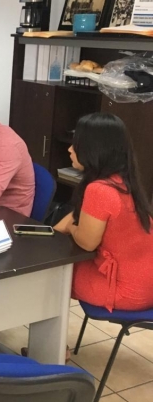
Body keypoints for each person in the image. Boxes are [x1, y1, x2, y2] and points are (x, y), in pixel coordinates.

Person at [54, 113, 153, 312]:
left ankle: (48, 333)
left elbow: (87, 242)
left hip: (125, 289)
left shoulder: (99, 190)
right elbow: (77, 216)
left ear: (93, 149)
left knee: (52, 272)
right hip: (145, 283)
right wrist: (59, 228)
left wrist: (71, 228)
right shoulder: (122, 181)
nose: (70, 149)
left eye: (76, 144)